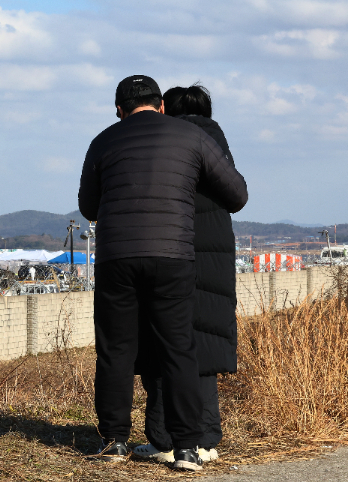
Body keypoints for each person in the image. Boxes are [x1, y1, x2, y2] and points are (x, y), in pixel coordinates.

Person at [78, 75, 248, 471]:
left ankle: (114, 441)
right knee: (178, 348)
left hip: (116, 257)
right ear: (162, 106)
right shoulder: (189, 136)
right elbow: (237, 194)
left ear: (119, 110)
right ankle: (187, 448)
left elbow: (89, 206)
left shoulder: (103, 140)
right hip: (172, 256)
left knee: (116, 349)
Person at [132, 84, 239, 464]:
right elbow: (237, 196)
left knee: (163, 345)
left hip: (167, 251)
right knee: (203, 347)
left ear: (165, 112)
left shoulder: (167, 144)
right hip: (214, 258)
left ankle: (163, 439)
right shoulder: (217, 147)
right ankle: (206, 439)